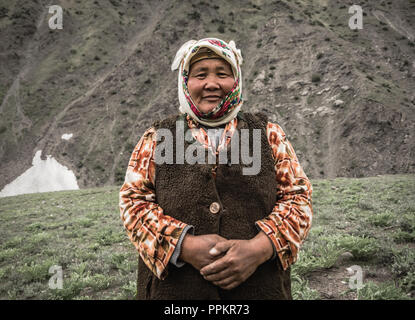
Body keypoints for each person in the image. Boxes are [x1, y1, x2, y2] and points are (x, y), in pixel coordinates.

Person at [119, 38, 313, 300]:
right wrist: (182, 245)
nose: (211, 83)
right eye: (200, 74)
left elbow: (297, 197)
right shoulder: (157, 137)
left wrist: (259, 248)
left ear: (236, 80)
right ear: (186, 82)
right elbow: (134, 202)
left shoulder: (269, 134)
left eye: (222, 74)